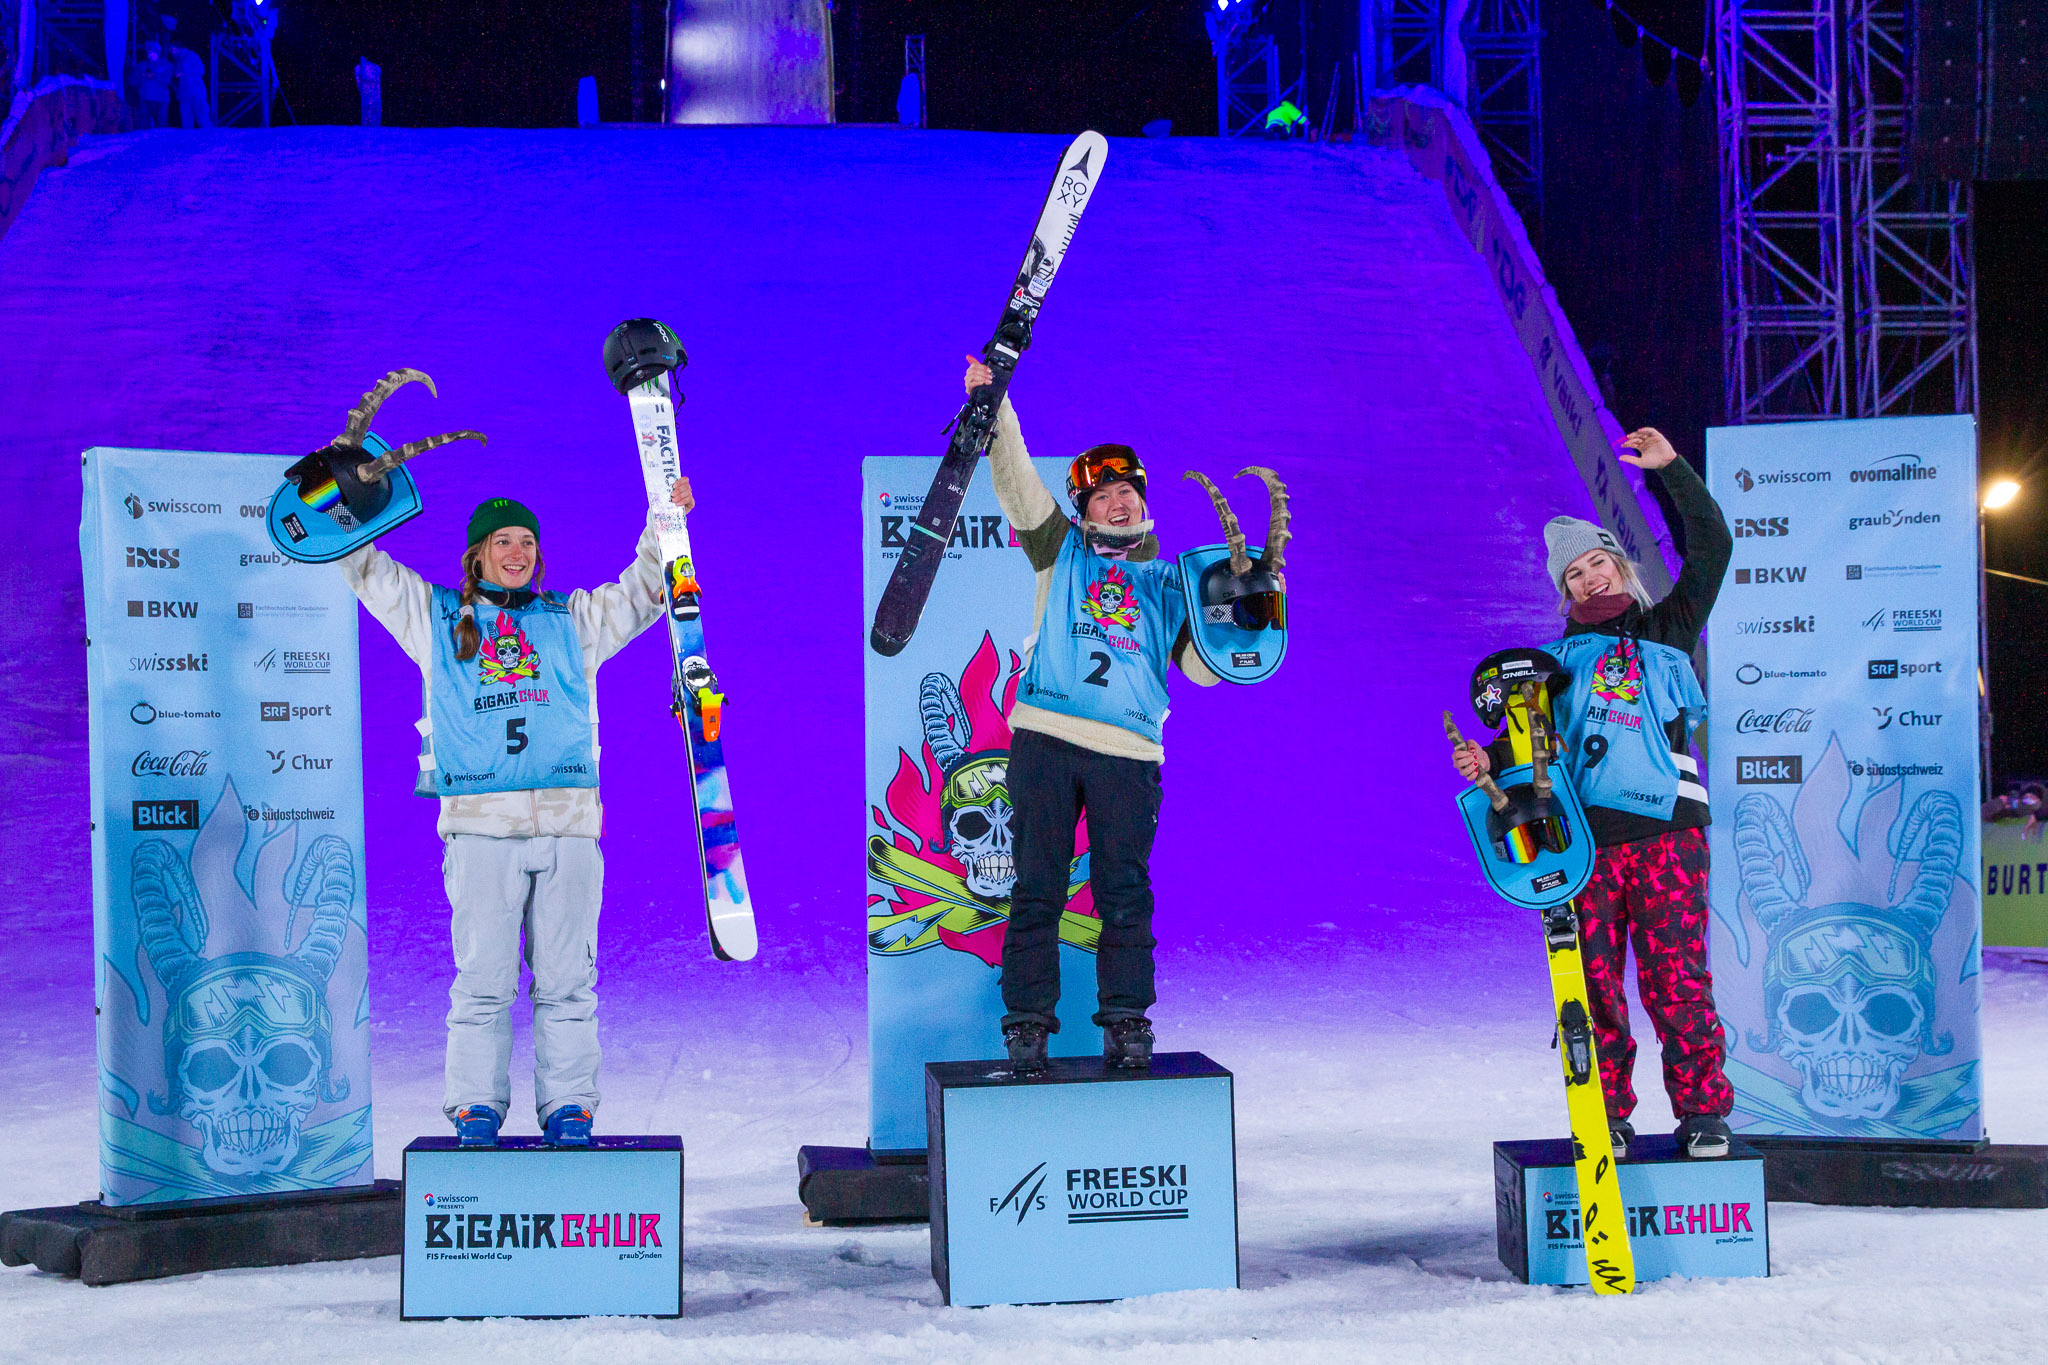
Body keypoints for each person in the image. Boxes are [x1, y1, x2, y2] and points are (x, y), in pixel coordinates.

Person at [338, 482, 689, 1146]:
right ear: (476, 555)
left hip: (568, 829)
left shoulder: (571, 620)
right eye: (503, 541)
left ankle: (569, 1107)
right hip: (480, 833)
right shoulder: (435, 618)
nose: (518, 552)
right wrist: (340, 507)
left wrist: (665, 519)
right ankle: (475, 1107)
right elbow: (366, 570)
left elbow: (648, 589)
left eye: (528, 541)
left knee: (569, 981)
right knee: (483, 981)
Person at [1452, 427, 1735, 1159]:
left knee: (1679, 982)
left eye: (1599, 563)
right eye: (1574, 574)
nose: (1590, 579)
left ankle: (1703, 1113)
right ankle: (1602, 1109)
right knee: (1595, 990)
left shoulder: (1667, 631)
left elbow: (1712, 549)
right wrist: (1487, 759)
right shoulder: (1540, 666)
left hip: (1670, 835)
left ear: (1622, 566)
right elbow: (1526, 755)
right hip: (1583, 849)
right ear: (1563, 590)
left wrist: (1671, 471)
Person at [966, 357, 1223, 1074]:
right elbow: (1018, 485)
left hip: (1130, 751)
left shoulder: (1171, 582)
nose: (1118, 502)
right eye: (1104, 494)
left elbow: (1202, 669)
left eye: (1127, 491)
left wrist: (1243, 614)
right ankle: (1026, 1024)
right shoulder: (1059, 549)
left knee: (1123, 891)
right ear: (1084, 511)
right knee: (1037, 883)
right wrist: (998, 407)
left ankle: (1127, 1021)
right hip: (1046, 737)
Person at [135, 43, 174, 130]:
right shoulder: (141, 65)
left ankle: (162, 143)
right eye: (149, 51)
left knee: (161, 125)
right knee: (144, 125)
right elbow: (133, 81)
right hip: (145, 98)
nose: (151, 53)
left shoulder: (167, 65)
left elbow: (167, 81)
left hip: (161, 99)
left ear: (158, 52)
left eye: (153, 51)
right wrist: (140, 75)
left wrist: (154, 75)